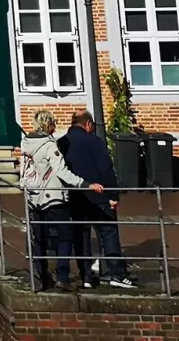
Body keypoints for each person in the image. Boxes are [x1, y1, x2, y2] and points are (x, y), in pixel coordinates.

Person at [21, 109, 105, 292]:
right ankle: (61, 276)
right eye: (54, 123)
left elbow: (25, 172)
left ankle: (40, 275)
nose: (56, 126)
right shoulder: (50, 145)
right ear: (49, 125)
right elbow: (61, 171)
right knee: (64, 237)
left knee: (39, 238)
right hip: (54, 197)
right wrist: (84, 184)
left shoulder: (26, 144)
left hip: (34, 197)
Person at [57, 111, 134, 289]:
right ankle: (117, 274)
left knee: (81, 236)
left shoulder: (62, 143)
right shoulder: (93, 141)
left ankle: (86, 276)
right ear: (88, 124)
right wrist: (113, 195)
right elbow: (106, 168)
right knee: (108, 233)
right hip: (98, 196)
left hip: (75, 197)